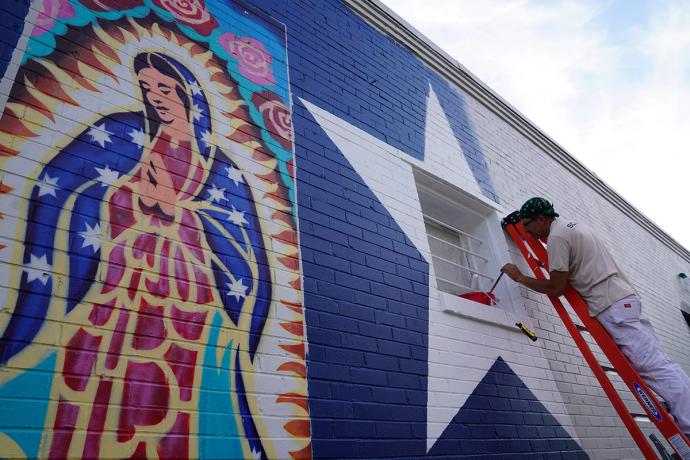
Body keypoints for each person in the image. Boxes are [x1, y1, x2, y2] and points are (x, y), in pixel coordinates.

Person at [501, 197, 690, 439]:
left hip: (612, 305)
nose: (526, 231)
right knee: (660, 365)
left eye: (528, 225)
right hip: (622, 300)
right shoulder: (573, 226)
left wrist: (520, 277)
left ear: (541, 219)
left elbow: (556, 287)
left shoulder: (558, 238)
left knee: (655, 369)